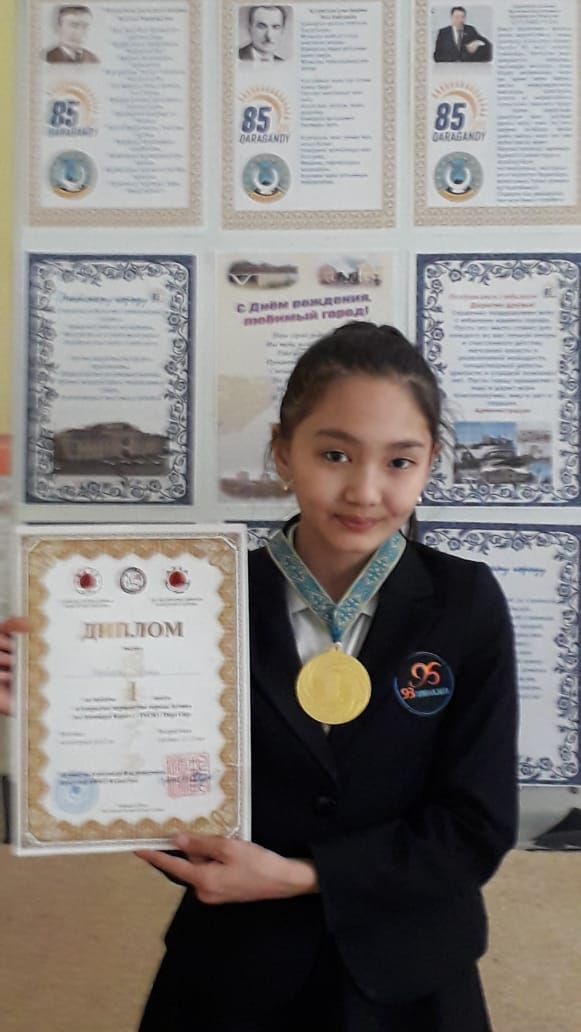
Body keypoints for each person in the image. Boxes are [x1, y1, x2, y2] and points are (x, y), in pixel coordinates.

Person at [1, 323, 518, 1030]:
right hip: (233, 974)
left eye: (400, 461)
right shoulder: (197, 597)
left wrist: (302, 877)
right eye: (334, 454)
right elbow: (163, 787)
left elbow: (474, 828)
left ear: (428, 464)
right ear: (282, 453)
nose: (365, 490)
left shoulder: (464, 603)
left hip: (410, 976)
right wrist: (58, 711)